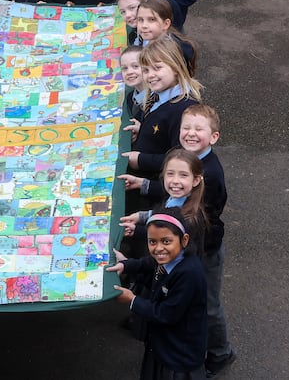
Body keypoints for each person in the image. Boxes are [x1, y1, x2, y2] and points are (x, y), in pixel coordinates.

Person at [121, 105, 235, 376]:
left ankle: (220, 353)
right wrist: (144, 190)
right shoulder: (186, 160)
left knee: (207, 306)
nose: (191, 134)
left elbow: (182, 221)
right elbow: (173, 193)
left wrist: (141, 228)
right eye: (186, 128)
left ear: (214, 137)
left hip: (202, 251)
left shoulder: (211, 176)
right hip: (185, 246)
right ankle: (145, 320)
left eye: (199, 129)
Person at [107, 208, 208, 379]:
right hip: (162, 344)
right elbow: (149, 263)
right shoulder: (170, 257)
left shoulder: (189, 274)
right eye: (152, 242)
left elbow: (166, 314)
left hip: (178, 353)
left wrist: (133, 301)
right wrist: (126, 264)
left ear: (184, 240)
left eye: (166, 241)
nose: (158, 249)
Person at [123, 39, 203, 185]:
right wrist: (142, 130)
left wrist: (141, 160)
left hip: (155, 183)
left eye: (157, 68)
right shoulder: (157, 95)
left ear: (175, 67)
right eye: (146, 70)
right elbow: (161, 134)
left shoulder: (183, 111)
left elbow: (182, 159)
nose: (150, 75)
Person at [120, 149, 207, 256]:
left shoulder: (188, 220)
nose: (175, 181)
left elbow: (163, 239)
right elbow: (163, 214)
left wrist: (138, 231)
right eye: (170, 174)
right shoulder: (173, 197)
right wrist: (141, 216)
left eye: (183, 175)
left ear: (195, 180)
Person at [135, 0, 198, 76]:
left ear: (166, 24)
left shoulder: (179, 50)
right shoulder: (142, 40)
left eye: (151, 19)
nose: (144, 25)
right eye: (140, 20)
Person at [120, 45, 145, 120]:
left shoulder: (157, 100)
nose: (129, 72)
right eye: (125, 68)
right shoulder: (130, 98)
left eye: (135, 66)